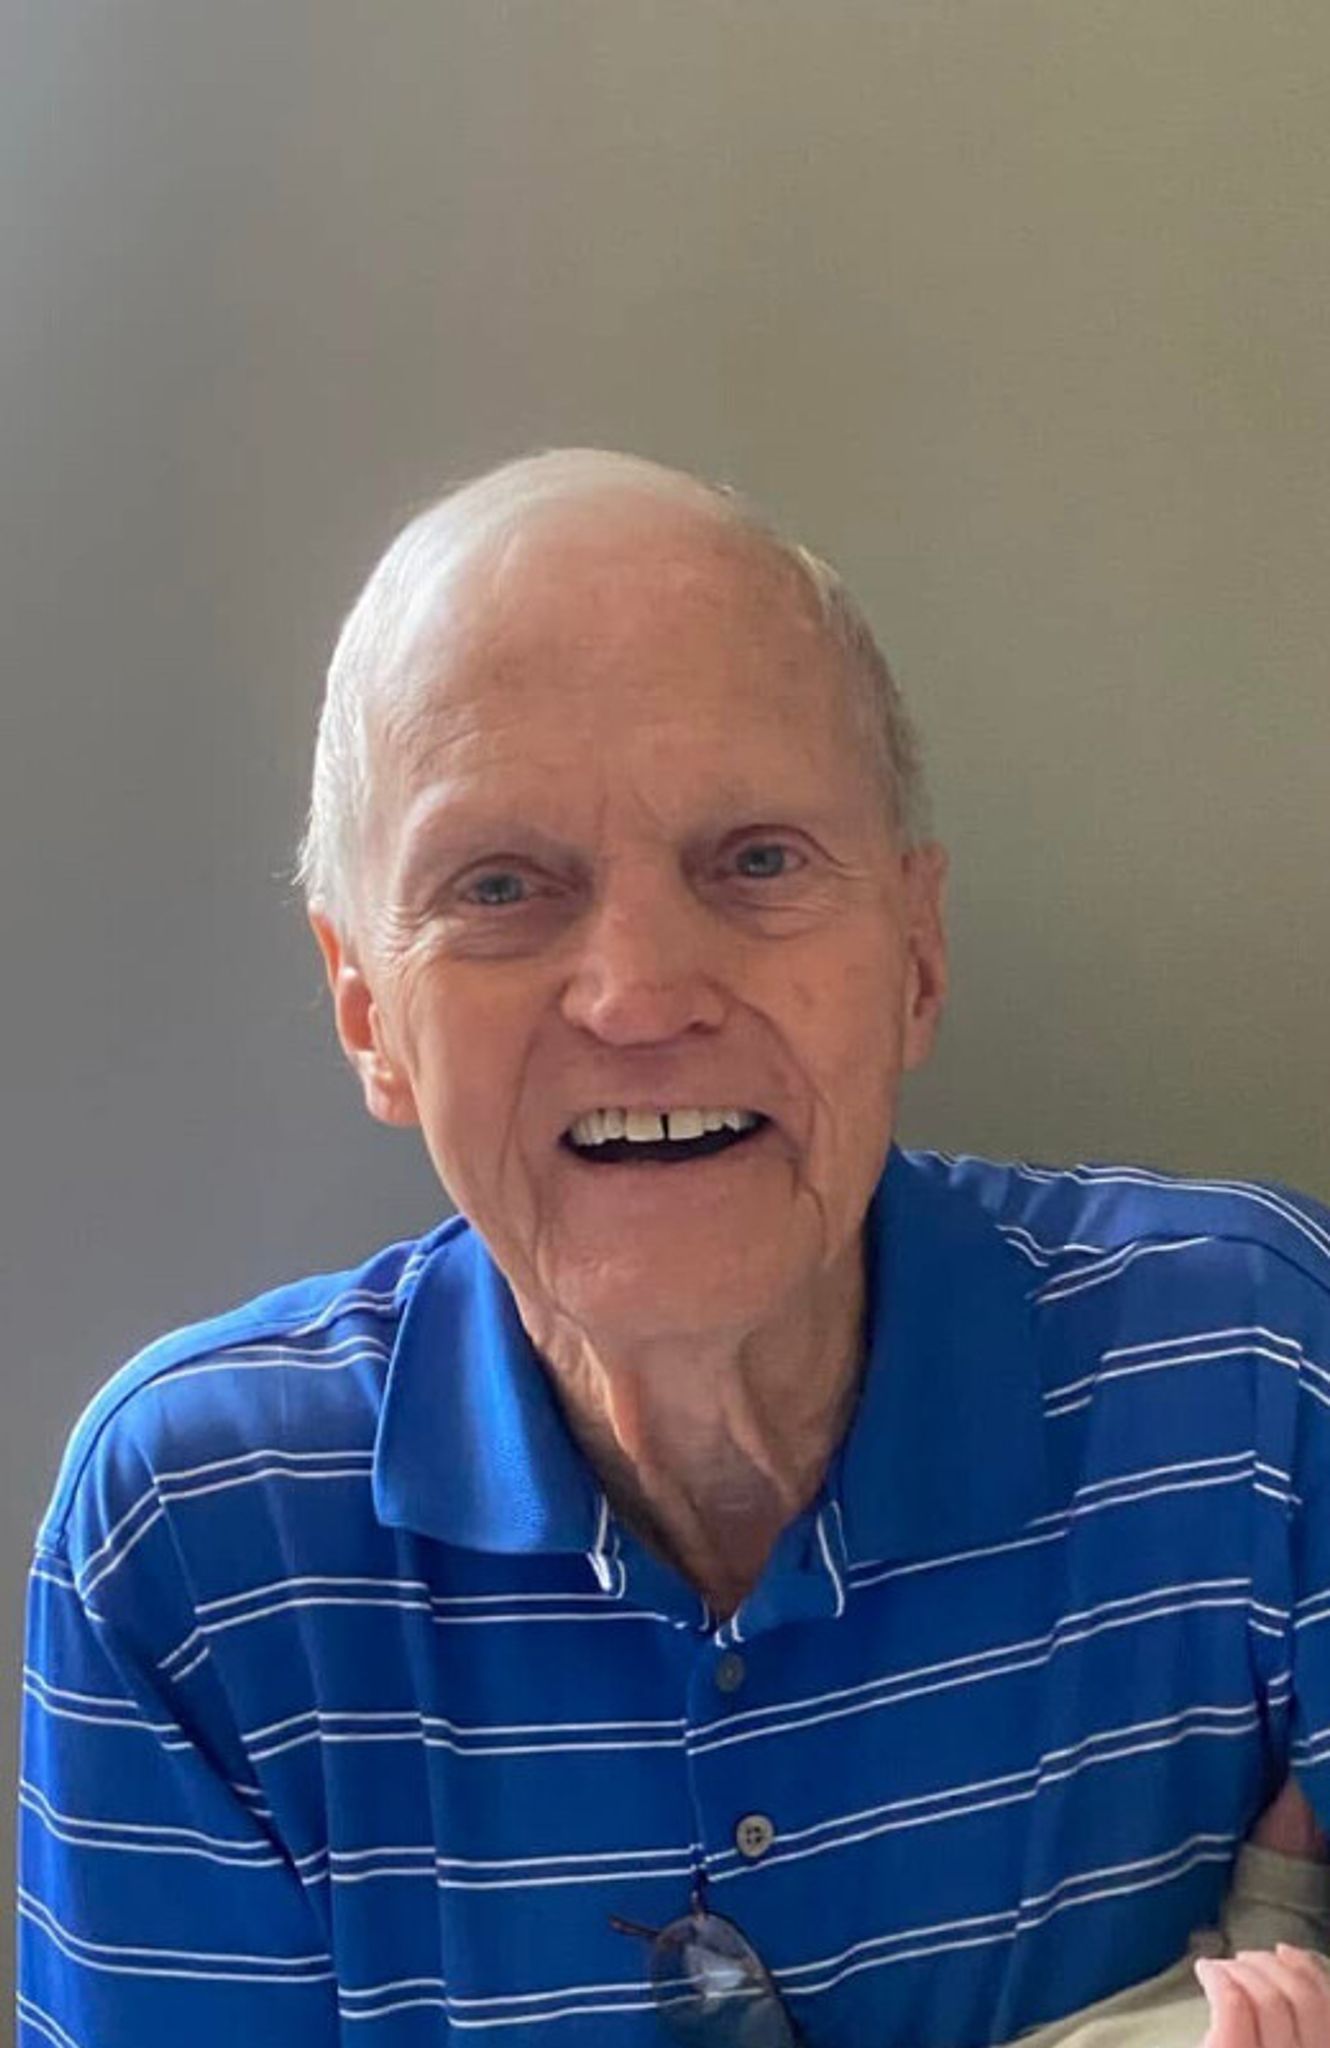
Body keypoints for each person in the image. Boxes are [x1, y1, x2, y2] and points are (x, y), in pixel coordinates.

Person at [17, 448, 1330, 2048]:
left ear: (916, 954)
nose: (638, 994)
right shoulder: (196, 1537)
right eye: (501, 886)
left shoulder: (1251, 1372)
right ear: (367, 1012)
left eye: (755, 860)